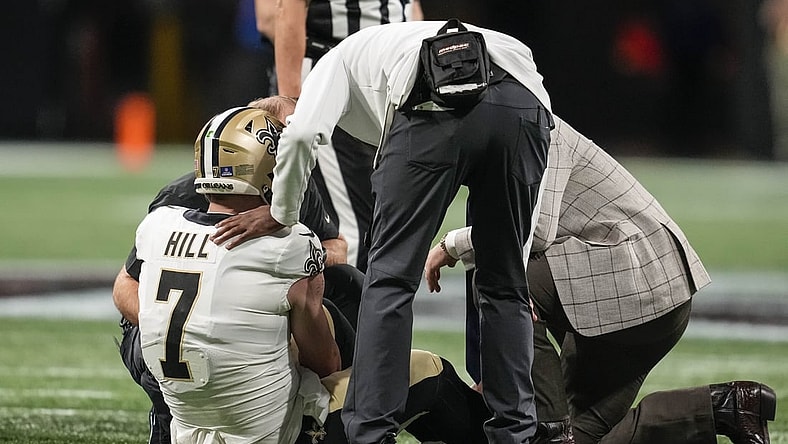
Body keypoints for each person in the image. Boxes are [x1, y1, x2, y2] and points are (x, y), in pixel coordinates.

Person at [212, 20, 554, 444]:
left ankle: (370, 434)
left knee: (389, 282)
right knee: (505, 287)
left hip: (429, 104)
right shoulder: (387, 46)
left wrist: (281, 212)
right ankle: (515, 434)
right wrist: (516, 265)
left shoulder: (333, 63)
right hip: (525, 103)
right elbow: (538, 121)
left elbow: (300, 133)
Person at [127, 104, 498, 444]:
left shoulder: (157, 227)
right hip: (278, 435)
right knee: (426, 369)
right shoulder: (289, 246)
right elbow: (326, 363)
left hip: (190, 431)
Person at [424, 115, 778, 444]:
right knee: (587, 436)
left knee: (503, 278)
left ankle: (551, 431)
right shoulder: (512, 125)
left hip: (634, 282)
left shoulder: (533, 126)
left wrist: (452, 244)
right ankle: (726, 405)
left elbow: (534, 228)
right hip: (648, 295)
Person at [113, 95, 359, 444]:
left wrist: (290, 258)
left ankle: (323, 412)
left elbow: (336, 247)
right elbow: (125, 284)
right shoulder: (181, 199)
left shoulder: (295, 189)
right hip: (166, 336)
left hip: (246, 320)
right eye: (286, 133)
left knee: (347, 288)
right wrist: (186, 321)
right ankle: (167, 416)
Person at [270, 0, 422, 272]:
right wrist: (293, 103)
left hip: (392, 81)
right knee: (348, 228)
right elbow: (287, 12)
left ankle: (371, 297)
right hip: (334, 79)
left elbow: (411, 9)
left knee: (385, 221)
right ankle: (346, 299)